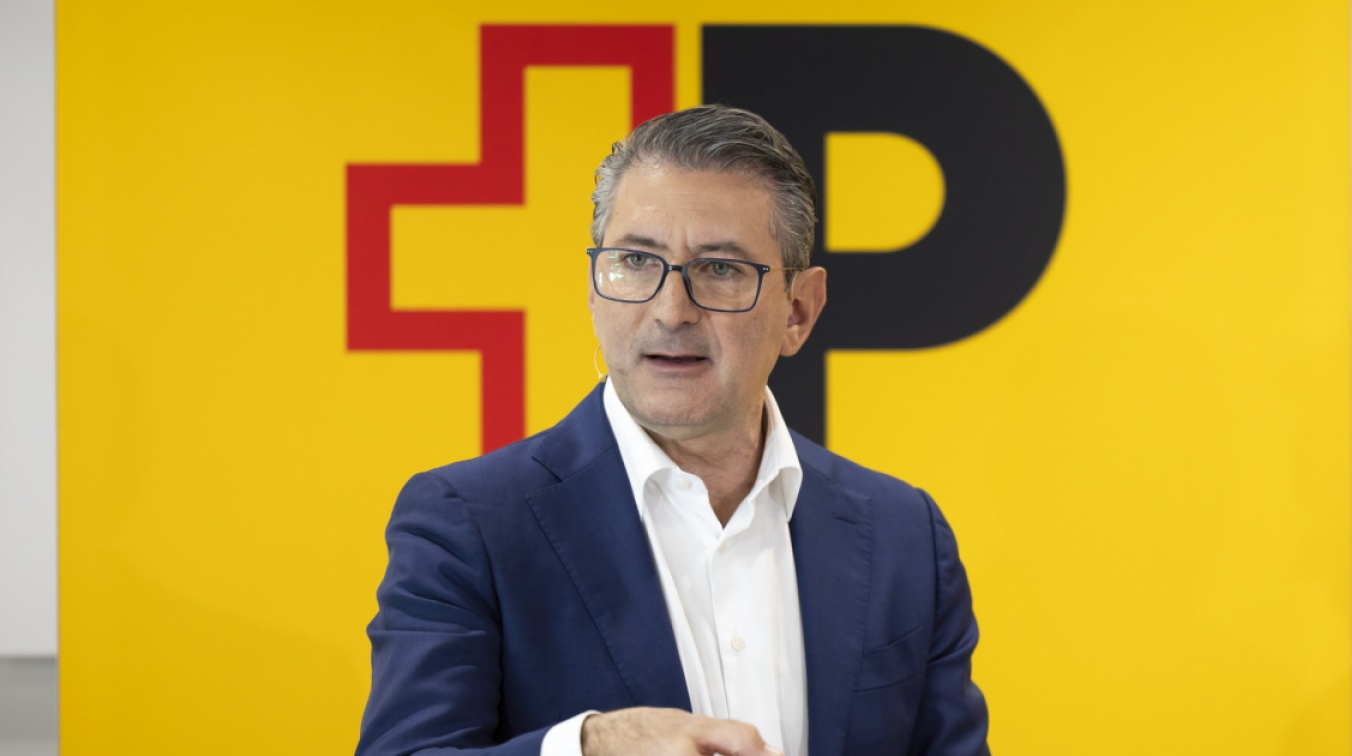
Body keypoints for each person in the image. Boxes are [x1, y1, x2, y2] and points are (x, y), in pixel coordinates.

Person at [356, 104, 989, 756]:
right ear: (593, 288)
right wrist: (591, 747)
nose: (670, 310)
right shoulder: (470, 525)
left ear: (798, 311)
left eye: (720, 269)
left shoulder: (904, 535)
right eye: (635, 261)